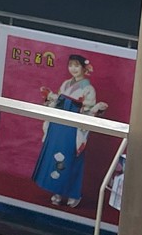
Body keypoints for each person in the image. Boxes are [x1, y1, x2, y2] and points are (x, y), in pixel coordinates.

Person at [31, 55, 105, 209]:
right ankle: (57, 191)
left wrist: (95, 109)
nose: (73, 69)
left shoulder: (88, 89)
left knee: (70, 159)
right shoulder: (65, 84)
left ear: (84, 68)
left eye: (77, 65)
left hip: (73, 128)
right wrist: (50, 98)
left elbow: (88, 110)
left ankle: (73, 194)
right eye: (70, 65)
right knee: (55, 156)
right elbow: (58, 101)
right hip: (58, 126)